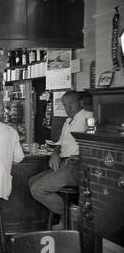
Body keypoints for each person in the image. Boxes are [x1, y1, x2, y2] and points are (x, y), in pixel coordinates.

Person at [29, 91, 93, 229]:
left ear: (80, 103)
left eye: (71, 104)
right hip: (63, 163)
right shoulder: (68, 121)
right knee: (32, 181)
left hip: (76, 166)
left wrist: (80, 156)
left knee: (37, 189)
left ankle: (68, 217)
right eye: (65, 105)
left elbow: (94, 145)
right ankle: (68, 215)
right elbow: (60, 143)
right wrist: (55, 154)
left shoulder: (89, 118)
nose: (67, 109)